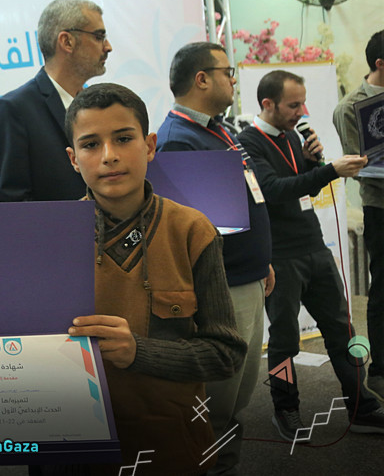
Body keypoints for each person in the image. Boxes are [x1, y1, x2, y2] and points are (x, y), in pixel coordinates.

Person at [62, 83, 246, 475]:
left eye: (123, 138)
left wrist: (138, 352)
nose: (109, 156)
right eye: (91, 144)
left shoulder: (192, 230)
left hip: (171, 442)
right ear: (73, 159)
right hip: (78, 443)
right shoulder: (50, 236)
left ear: (149, 146)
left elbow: (226, 353)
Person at [237, 69, 384, 440]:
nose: (301, 111)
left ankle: (361, 405)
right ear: (267, 104)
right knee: (284, 340)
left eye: (303, 103)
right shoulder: (246, 143)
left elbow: (305, 186)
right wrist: (330, 170)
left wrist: (312, 163)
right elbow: (273, 190)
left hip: (313, 246)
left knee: (342, 328)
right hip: (281, 255)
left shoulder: (293, 135)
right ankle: (285, 406)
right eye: (293, 105)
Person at [155, 42, 275, 475]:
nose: (233, 80)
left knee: (237, 394)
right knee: (219, 400)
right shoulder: (178, 140)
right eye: (228, 72)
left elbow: (239, 204)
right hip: (223, 286)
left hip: (247, 276)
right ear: (201, 79)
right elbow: (194, 234)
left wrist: (261, 261)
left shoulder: (217, 130)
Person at [0, 0, 111, 202]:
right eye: (99, 36)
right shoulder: (13, 110)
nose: (108, 47)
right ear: (67, 41)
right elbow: (9, 208)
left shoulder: (97, 106)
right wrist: (74, 216)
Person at [333, 29, 384, 402]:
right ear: (380, 64)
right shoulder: (351, 108)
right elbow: (357, 167)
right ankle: (380, 369)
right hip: (380, 207)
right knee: (381, 288)